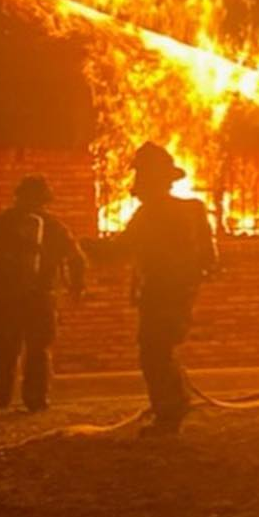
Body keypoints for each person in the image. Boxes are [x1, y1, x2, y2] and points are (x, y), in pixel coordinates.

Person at [84, 143, 217, 435]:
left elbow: (120, 249)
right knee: (163, 349)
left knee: (154, 352)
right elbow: (210, 258)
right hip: (180, 291)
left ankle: (170, 413)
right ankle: (175, 403)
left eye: (141, 177)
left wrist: (87, 246)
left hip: (160, 292)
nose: (137, 184)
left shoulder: (150, 213)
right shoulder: (193, 209)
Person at [0, 175, 85, 411]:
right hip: (41, 296)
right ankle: (36, 399)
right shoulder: (54, 226)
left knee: (7, 346)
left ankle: (2, 396)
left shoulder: (3, 222)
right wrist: (76, 286)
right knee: (38, 349)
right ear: (45, 200)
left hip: (9, 295)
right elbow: (76, 258)